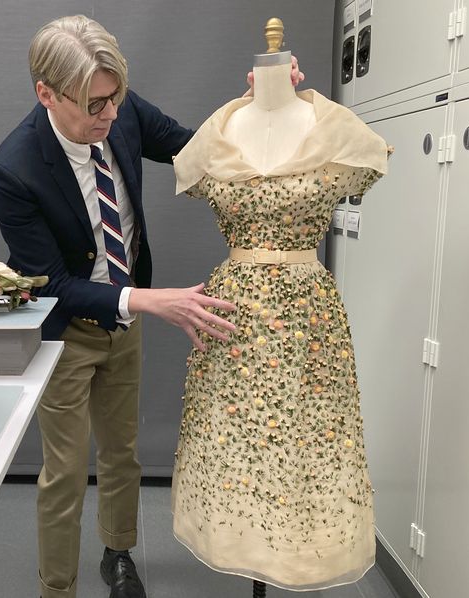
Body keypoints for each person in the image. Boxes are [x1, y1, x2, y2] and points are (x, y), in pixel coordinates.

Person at [0, 15, 300, 598]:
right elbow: (48, 281)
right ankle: (57, 587)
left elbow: (195, 145)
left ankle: (119, 555)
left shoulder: (119, 109)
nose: (109, 117)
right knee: (64, 470)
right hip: (65, 333)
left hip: (125, 324)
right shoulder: (14, 168)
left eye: (115, 99)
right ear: (46, 94)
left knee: (122, 451)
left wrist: (256, 104)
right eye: (94, 105)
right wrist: (150, 300)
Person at [170, 42, 389, 592]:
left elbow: (370, 160)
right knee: (237, 439)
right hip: (233, 312)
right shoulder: (218, 136)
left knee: (307, 437)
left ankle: (297, 557)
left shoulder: (336, 131)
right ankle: (239, 543)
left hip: (307, 316)